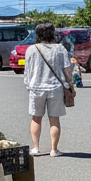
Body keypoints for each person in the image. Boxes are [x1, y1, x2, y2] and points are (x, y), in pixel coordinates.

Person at [24, 22, 74, 156]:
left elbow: (27, 71)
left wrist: (28, 85)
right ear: (53, 34)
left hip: (36, 87)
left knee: (36, 118)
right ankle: (54, 149)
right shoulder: (60, 49)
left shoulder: (31, 49)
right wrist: (70, 85)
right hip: (55, 87)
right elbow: (67, 70)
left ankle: (35, 148)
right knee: (54, 119)